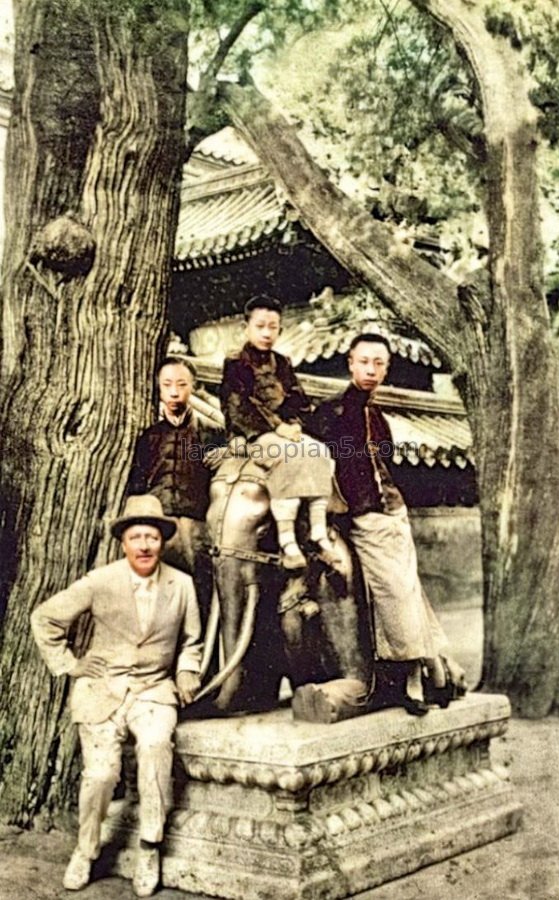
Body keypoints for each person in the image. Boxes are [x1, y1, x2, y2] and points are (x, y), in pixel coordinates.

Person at [30, 495, 202, 896]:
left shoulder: (183, 586)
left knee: (156, 747)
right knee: (102, 774)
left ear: (163, 542)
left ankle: (149, 846)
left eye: (152, 537)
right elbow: (45, 618)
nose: (144, 545)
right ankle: (86, 850)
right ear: (123, 543)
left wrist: (187, 669)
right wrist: (70, 664)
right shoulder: (99, 581)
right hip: (102, 690)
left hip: (154, 691)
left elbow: (192, 640)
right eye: (136, 537)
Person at [311, 333, 453, 716]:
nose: (371, 370)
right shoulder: (331, 414)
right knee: (394, 593)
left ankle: (433, 669)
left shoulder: (378, 417)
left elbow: (386, 465)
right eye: (365, 362)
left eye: (379, 364)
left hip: (394, 513)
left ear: (387, 369)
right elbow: (319, 464)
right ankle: (415, 677)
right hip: (363, 515)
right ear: (350, 364)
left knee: (408, 589)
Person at [220, 294, 338, 570]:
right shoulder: (236, 363)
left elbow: (297, 399)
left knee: (319, 451)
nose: (266, 333)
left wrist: (296, 424)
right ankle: (287, 541)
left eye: (273, 327)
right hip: (250, 432)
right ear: (245, 327)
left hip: (284, 430)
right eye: (260, 326)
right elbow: (238, 405)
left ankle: (319, 532)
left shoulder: (283, 363)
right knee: (286, 454)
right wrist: (278, 427)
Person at [126, 356, 215, 619]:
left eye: (182, 384)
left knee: (202, 597)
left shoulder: (209, 434)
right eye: (167, 385)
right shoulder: (149, 437)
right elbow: (137, 484)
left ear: (193, 387)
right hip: (157, 526)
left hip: (197, 528)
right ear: (159, 388)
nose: (174, 392)